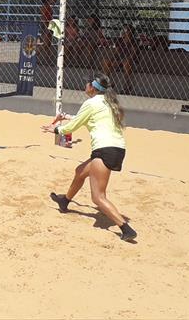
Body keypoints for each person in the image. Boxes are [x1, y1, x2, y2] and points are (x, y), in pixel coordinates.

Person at [46, 73, 137, 242]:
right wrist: (65, 117)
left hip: (104, 150)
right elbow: (86, 119)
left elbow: (76, 125)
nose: (85, 86)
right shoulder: (108, 103)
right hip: (117, 149)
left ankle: (126, 228)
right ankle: (65, 201)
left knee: (98, 197)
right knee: (80, 171)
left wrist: (56, 129)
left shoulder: (91, 103)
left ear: (92, 87)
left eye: (87, 83)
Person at [102, 25, 137, 93]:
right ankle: (107, 83)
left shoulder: (133, 41)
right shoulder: (120, 40)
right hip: (120, 58)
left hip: (129, 60)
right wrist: (114, 60)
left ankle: (126, 86)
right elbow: (116, 52)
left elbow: (133, 54)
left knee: (126, 63)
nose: (124, 32)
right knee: (106, 62)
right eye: (124, 30)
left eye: (126, 30)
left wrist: (123, 60)